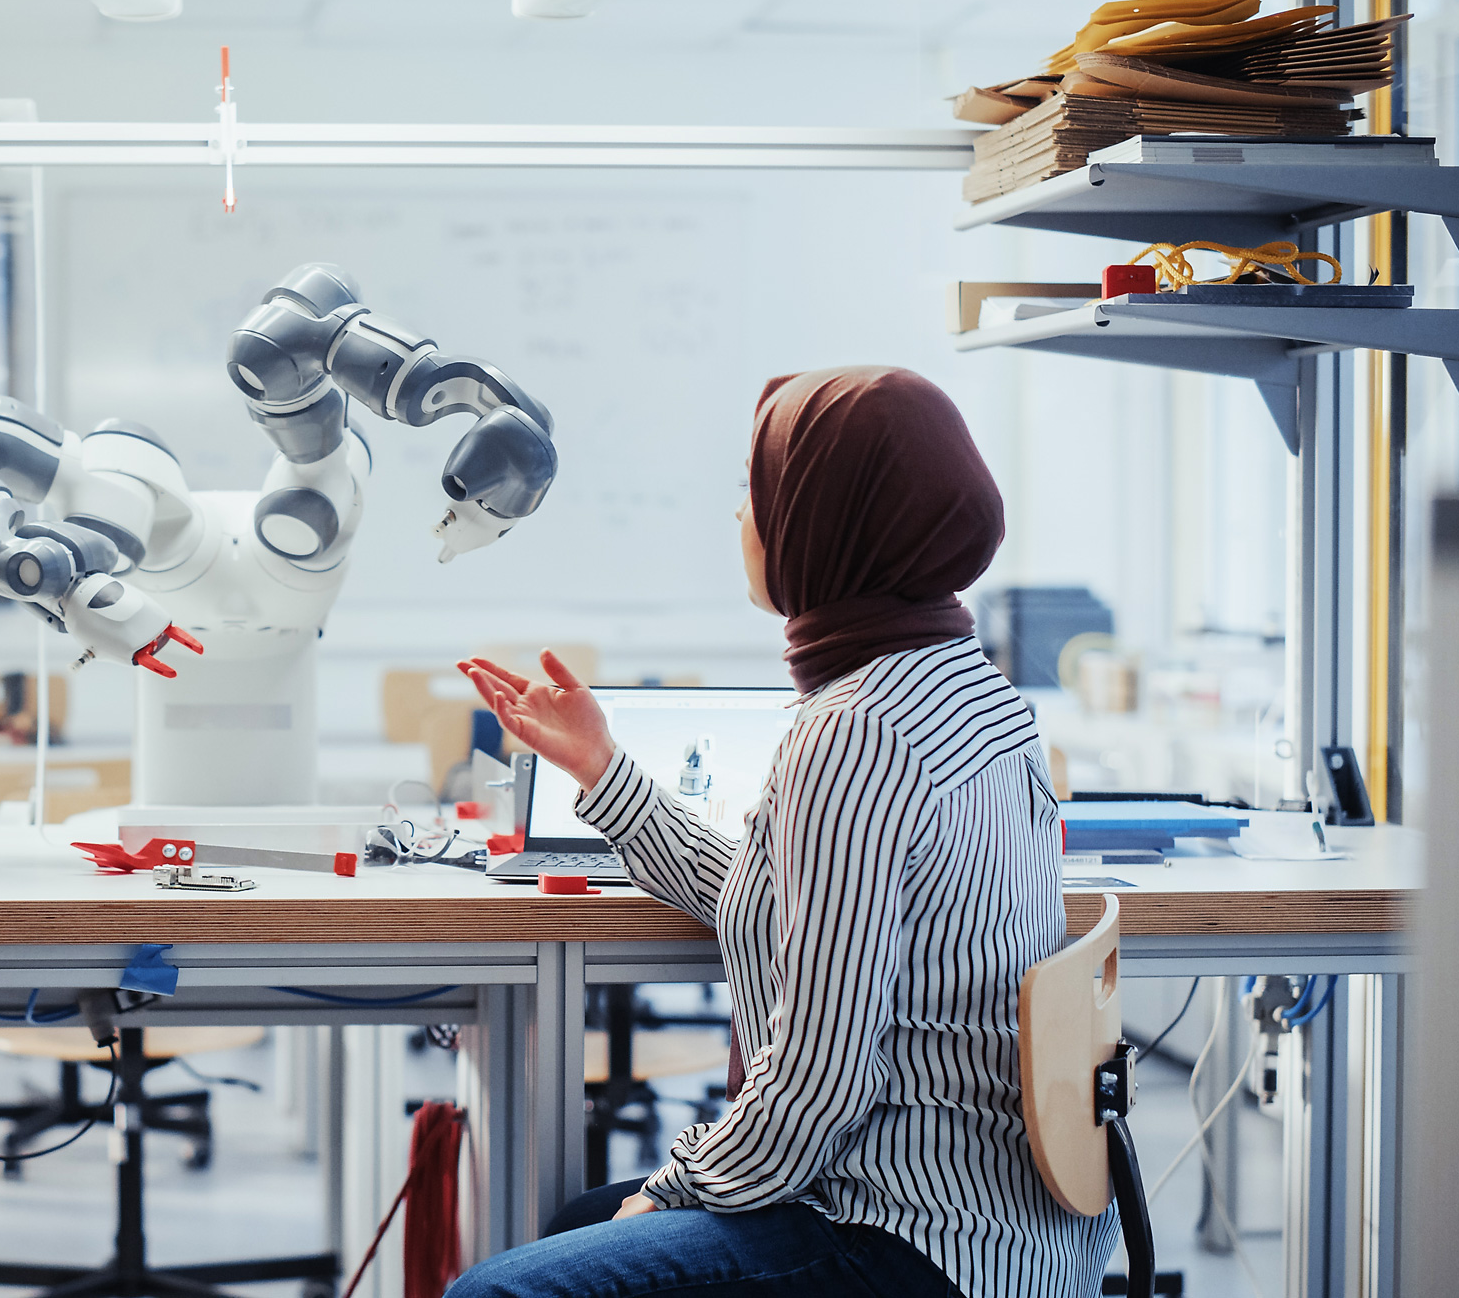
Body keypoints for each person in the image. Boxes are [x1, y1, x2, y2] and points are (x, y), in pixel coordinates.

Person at [453, 367, 1118, 1298]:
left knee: (495, 1294)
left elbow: (818, 1082)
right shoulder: (968, 688)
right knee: (573, 1225)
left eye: (759, 497)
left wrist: (671, 1189)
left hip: (908, 1235)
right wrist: (601, 770)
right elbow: (786, 901)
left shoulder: (854, 731)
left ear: (829, 524)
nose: (741, 520)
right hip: (1006, 1228)